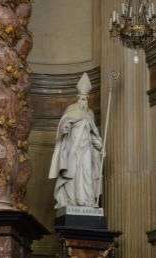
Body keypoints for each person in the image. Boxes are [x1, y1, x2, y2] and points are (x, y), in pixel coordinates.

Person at [49, 73, 103, 209]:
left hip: (87, 149)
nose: (84, 101)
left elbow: (93, 132)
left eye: (86, 99)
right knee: (72, 174)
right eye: (82, 99)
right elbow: (64, 122)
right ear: (78, 98)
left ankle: (88, 201)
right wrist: (65, 127)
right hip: (73, 148)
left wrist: (98, 144)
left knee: (87, 173)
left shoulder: (90, 113)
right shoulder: (72, 110)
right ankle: (72, 200)